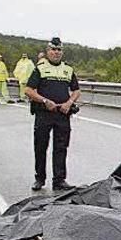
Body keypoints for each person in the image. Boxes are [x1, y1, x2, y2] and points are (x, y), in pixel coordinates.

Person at [25, 38, 81, 191]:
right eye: (53, 50)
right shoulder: (40, 68)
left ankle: (59, 180)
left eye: (59, 50)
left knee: (61, 147)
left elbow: (76, 90)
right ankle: (39, 179)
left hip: (62, 114)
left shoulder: (68, 69)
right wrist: (44, 101)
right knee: (41, 147)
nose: (56, 53)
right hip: (44, 114)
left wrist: (69, 103)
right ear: (48, 51)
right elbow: (28, 90)